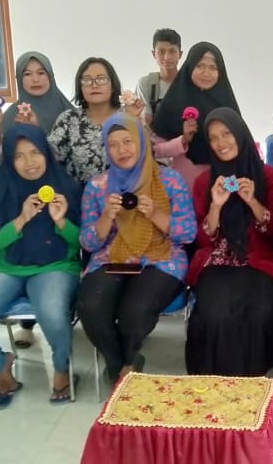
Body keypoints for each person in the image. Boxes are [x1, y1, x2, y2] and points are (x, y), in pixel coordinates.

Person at [0, 124, 82, 409]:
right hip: (6, 267)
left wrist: (61, 221)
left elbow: (81, 243)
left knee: (52, 313)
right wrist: (21, 219)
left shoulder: (66, 186)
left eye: (35, 152)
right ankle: (2, 368)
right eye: (19, 156)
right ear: (10, 161)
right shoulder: (2, 188)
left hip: (55, 265)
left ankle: (61, 370)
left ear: (46, 153)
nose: (29, 162)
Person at [77, 114, 197, 382]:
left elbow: (188, 234)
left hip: (162, 257)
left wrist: (155, 214)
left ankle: (128, 361)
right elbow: (88, 242)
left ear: (142, 143)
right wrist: (106, 217)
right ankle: (119, 362)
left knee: (135, 311)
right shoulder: (97, 187)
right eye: (113, 145)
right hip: (111, 256)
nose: (122, 150)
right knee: (90, 306)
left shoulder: (170, 180)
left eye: (128, 141)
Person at [185, 108, 273, 376]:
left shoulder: (267, 176)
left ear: (240, 134)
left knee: (259, 312)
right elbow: (201, 238)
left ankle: (250, 382)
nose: (221, 143)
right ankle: (214, 383)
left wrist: (253, 202)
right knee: (213, 314)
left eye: (226, 134)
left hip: (259, 258)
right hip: (218, 260)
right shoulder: (204, 182)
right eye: (213, 137)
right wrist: (216, 206)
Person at [147, 42, 241, 187]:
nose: (206, 73)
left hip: (224, 182)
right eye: (200, 66)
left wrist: (232, 188)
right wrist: (183, 140)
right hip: (185, 185)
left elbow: (242, 149)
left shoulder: (228, 105)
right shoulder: (173, 103)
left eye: (213, 67)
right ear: (190, 67)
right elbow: (156, 151)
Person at [48, 57, 124, 186]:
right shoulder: (68, 119)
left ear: (112, 85)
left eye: (101, 79)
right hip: (78, 195)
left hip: (125, 194)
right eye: (87, 80)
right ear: (80, 87)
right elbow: (49, 158)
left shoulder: (128, 116)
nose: (94, 85)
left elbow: (147, 157)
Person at [0, 51, 74, 134]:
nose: (35, 79)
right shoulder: (11, 117)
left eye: (41, 73)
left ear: (50, 76)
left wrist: (36, 130)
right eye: (27, 74)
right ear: (20, 79)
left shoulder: (71, 113)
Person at [135, 28, 183, 124]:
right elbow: (145, 121)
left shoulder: (189, 83)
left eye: (172, 51)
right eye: (161, 52)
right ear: (154, 54)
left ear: (180, 54)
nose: (167, 57)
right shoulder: (145, 84)